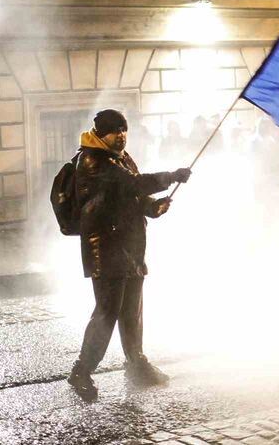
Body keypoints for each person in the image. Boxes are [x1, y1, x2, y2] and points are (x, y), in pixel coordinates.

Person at [68, 109, 191, 401]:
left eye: (124, 130)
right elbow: (133, 183)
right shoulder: (93, 160)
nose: (121, 135)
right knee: (108, 311)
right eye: (114, 131)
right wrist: (170, 176)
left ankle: (136, 363)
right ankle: (81, 371)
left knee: (132, 311)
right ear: (101, 134)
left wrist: (152, 208)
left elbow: (131, 194)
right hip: (106, 248)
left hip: (130, 245)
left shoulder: (120, 157)